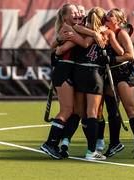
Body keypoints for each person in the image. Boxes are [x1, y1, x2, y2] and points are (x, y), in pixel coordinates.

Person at [57, 7, 125, 160]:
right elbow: (121, 52)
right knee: (92, 113)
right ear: (101, 19)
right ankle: (91, 152)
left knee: (77, 112)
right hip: (94, 74)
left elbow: (74, 30)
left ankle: (65, 141)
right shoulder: (106, 33)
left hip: (78, 73)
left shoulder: (81, 31)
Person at [40, 4, 93, 160]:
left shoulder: (73, 28)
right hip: (64, 69)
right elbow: (80, 44)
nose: (77, 14)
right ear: (65, 16)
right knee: (66, 111)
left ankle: (57, 144)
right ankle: (50, 143)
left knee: (72, 111)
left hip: (69, 70)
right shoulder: (68, 29)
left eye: (78, 12)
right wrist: (94, 34)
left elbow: (59, 46)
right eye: (73, 12)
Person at [103, 8, 134, 159]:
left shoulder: (120, 33)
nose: (107, 16)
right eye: (107, 14)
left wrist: (111, 59)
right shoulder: (104, 32)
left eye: (111, 15)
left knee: (130, 110)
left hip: (122, 73)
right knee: (112, 111)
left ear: (119, 21)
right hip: (109, 75)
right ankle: (114, 143)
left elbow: (130, 55)